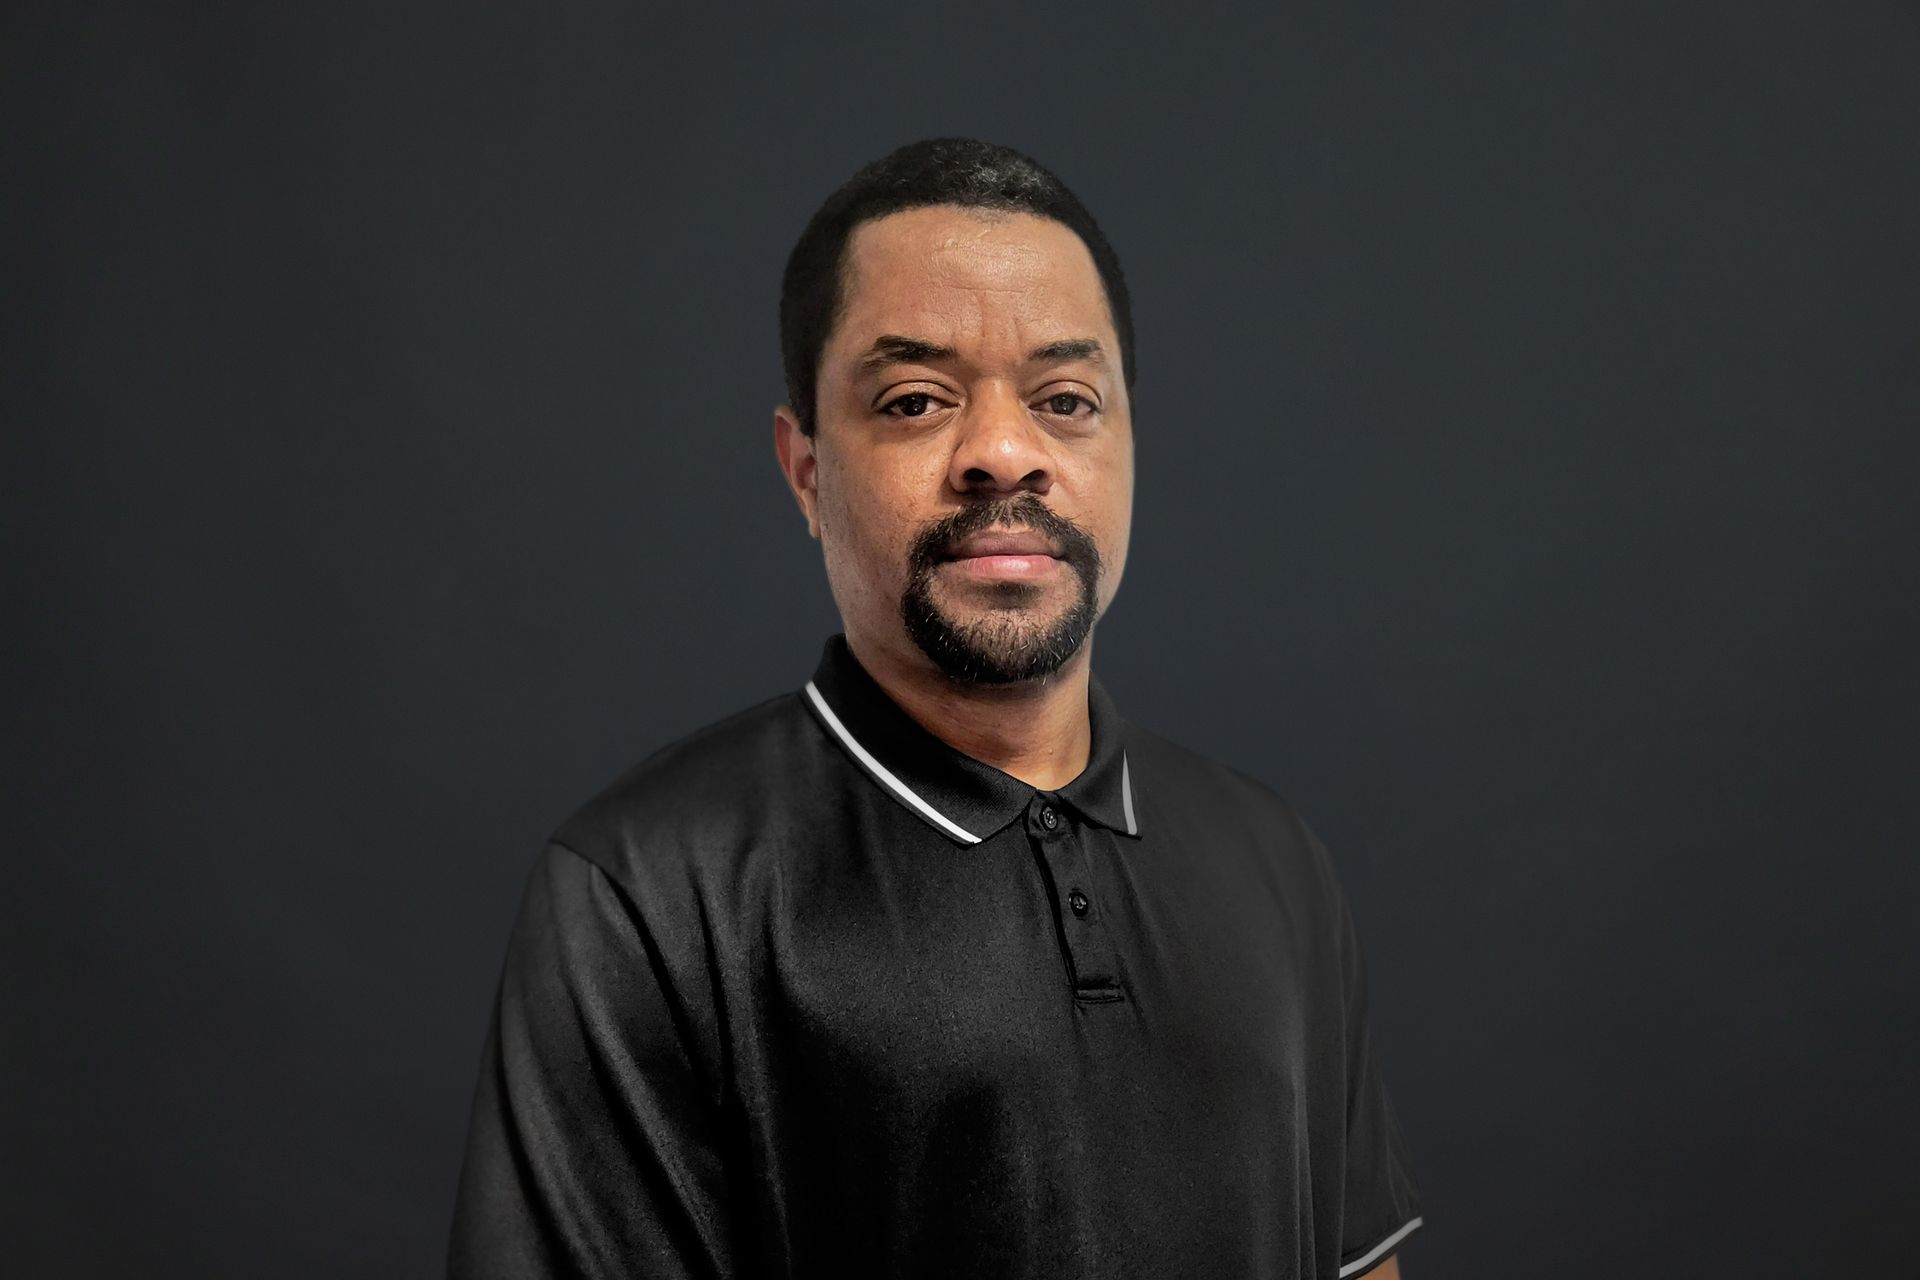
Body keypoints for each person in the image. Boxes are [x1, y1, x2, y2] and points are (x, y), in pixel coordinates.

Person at [448, 136, 1423, 1279]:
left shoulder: (1274, 858)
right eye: (916, 399)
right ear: (806, 470)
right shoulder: (647, 892)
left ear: (1127, 446)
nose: (1004, 453)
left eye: (1066, 399)